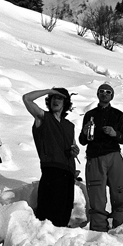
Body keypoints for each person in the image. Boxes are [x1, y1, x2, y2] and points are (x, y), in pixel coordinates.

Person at [22, 87, 80, 227]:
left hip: (68, 174)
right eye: (53, 97)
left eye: (59, 98)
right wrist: (49, 90)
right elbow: (26, 98)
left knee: (64, 215)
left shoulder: (69, 126)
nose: (55, 100)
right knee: (47, 217)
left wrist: (75, 151)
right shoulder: (43, 117)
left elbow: (73, 146)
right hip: (52, 172)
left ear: (65, 102)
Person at [79, 83, 123, 232]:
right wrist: (84, 132)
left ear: (112, 96)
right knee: (96, 196)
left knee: (119, 191)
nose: (104, 94)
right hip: (94, 157)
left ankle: (120, 227)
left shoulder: (118, 115)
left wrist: (115, 134)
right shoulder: (90, 115)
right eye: (101, 91)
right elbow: (83, 141)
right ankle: (98, 230)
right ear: (97, 94)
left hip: (114, 155)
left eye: (108, 92)